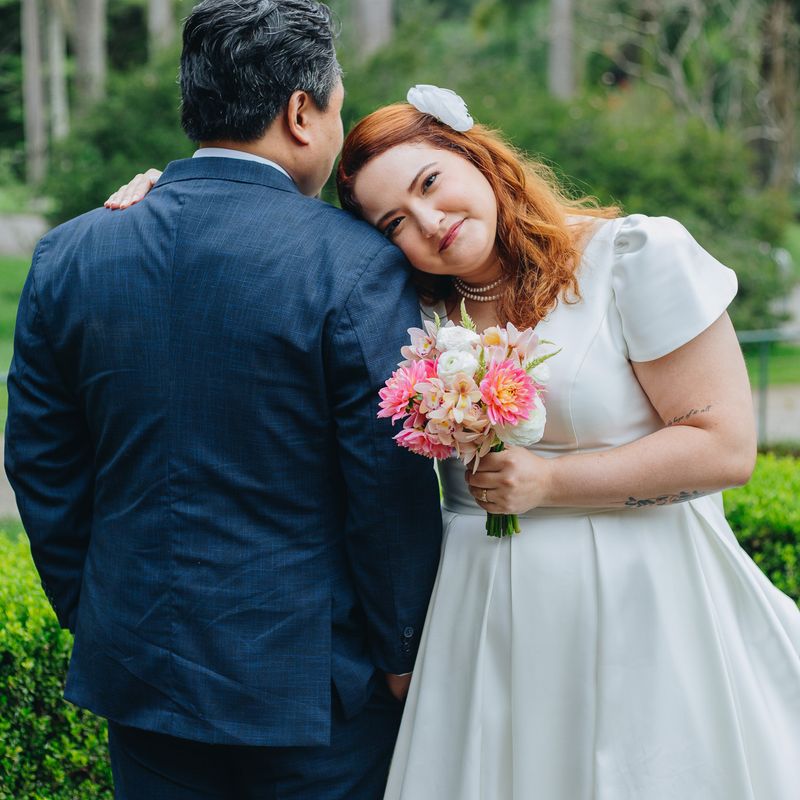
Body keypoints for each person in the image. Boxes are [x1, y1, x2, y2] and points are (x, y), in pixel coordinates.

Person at [109, 87, 800, 799]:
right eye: (395, 222)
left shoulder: (632, 257)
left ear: (473, 152)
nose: (430, 224)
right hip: (486, 619)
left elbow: (724, 447)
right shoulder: (412, 309)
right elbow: (267, 255)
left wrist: (550, 485)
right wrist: (172, 199)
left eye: (430, 183)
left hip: (645, 602)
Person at [4, 2, 442, 799]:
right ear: (302, 112)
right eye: (338, 107)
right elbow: (385, 484)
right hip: (317, 687)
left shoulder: (70, 254)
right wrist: (404, 653)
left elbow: (40, 462)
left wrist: (100, 608)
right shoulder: (354, 264)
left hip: (141, 672)